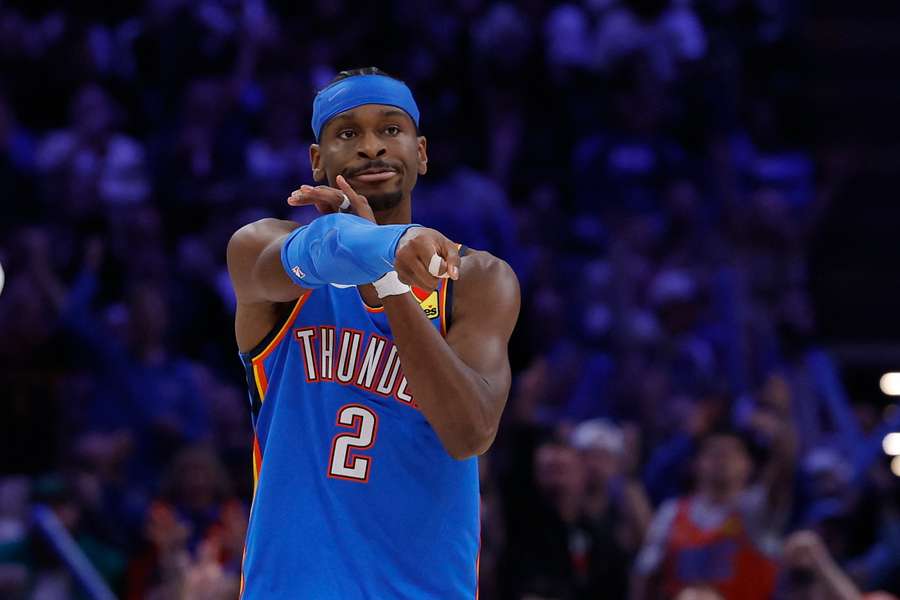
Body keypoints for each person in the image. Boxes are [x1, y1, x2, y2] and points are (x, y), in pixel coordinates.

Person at [226, 67, 520, 599]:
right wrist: (378, 249)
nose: (370, 148)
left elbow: (469, 433)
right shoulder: (259, 249)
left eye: (390, 130)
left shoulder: (477, 281)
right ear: (317, 160)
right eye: (347, 134)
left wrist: (391, 284)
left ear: (422, 152)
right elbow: (312, 251)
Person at [631, 425, 795, 600]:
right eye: (713, 452)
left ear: (748, 465)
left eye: (732, 452)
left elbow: (783, 477)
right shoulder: (670, 512)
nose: (722, 458)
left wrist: (780, 437)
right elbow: (645, 573)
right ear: (695, 464)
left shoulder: (758, 509)